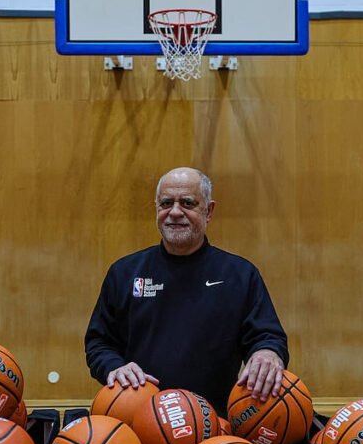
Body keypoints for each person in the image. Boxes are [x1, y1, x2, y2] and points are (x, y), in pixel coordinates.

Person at [84, 167, 289, 415]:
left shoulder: (240, 275)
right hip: (140, 422)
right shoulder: (125, 272)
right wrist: (114, 367)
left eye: (188, 203)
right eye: (166, 203)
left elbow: (268, 337)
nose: (175, 212)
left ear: (209, 211)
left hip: (215, 426)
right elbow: (99, 343)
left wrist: (267, 353)